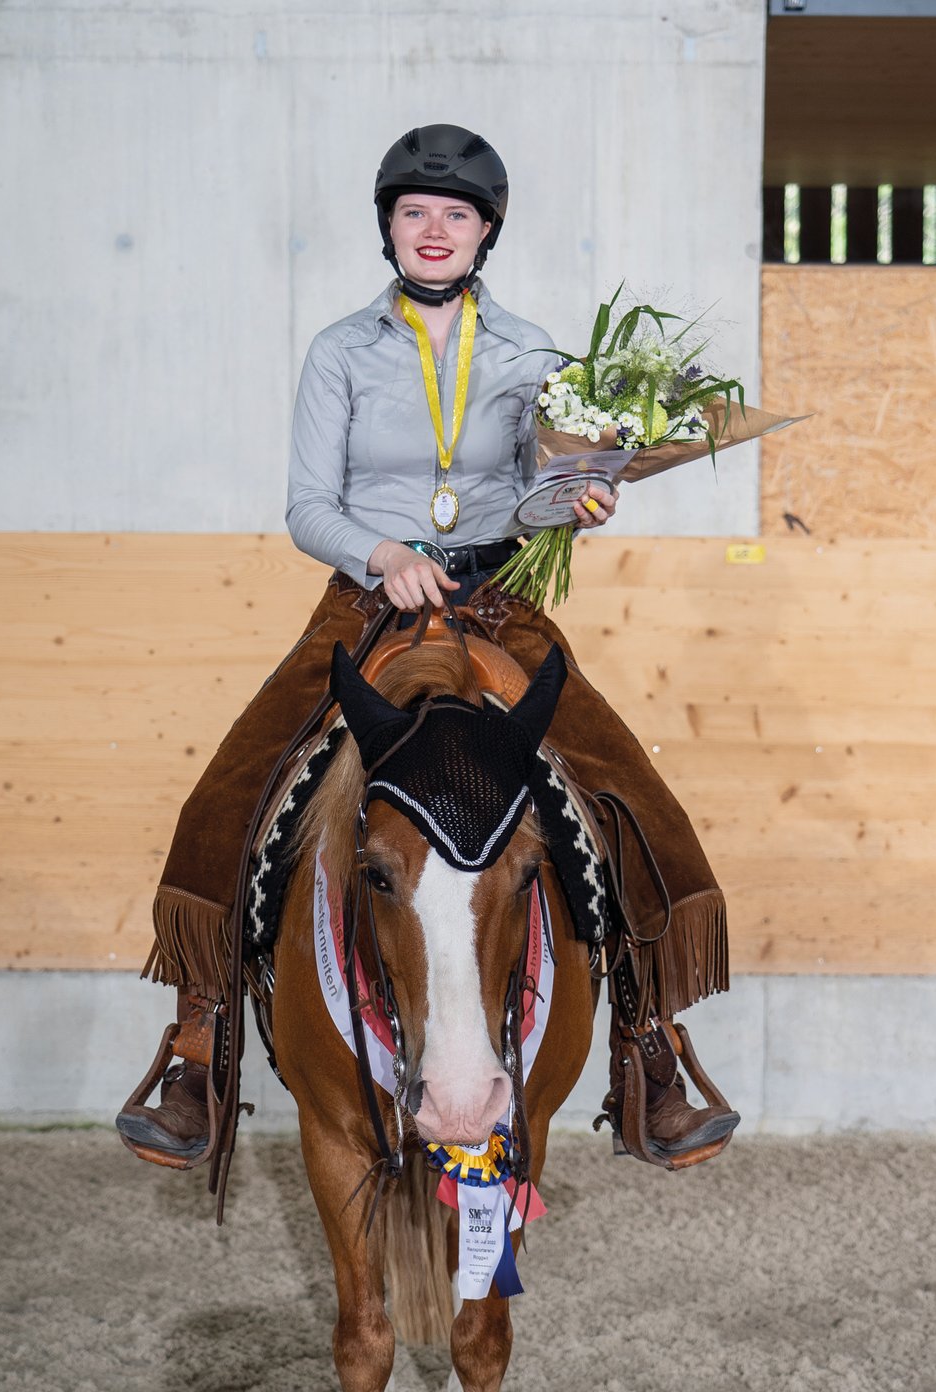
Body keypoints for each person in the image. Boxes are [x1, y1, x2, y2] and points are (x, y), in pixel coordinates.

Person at [116, 123, 738, 1173]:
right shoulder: (340, 351)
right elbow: (309, 505)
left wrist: (577, 502)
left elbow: (546, 484)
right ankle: (198, 1048)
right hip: (365, 606)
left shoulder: (535, 352)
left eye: (455, 213)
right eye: (415, 212)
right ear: (389, 229)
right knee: (226, 794)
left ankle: (650, 1046)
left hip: (498, 601)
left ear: (486, 231)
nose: (434, 229)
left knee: (630, 793)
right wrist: (379, 552)